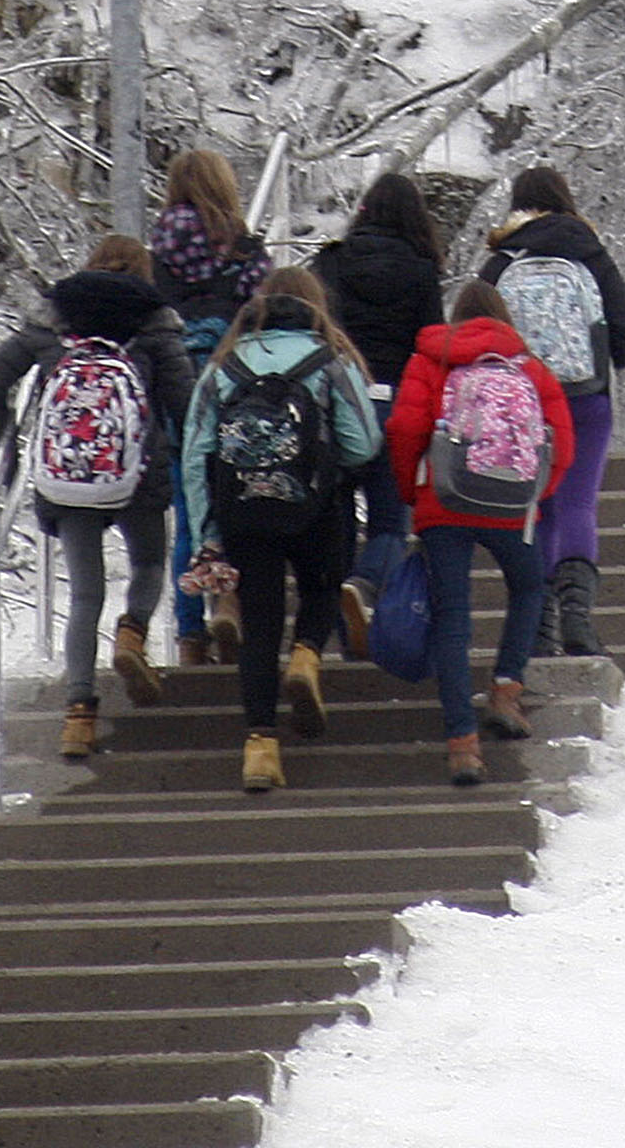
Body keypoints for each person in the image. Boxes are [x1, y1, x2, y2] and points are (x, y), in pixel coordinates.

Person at [0, 233, 193, 760]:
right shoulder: (155, 322)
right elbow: (187, 403)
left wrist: (10, 456)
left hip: (68, 475)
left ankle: (78, 718)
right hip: (138, 470)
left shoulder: (53, 321)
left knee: (84, 596)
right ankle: (134, 634)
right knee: (148, 564)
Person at [177, 264, 383, 795]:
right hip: (316, 508)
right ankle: (308, 655)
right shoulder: (331, 359)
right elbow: (363, 443)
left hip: (244, 510)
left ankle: (261, 749)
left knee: (260, 622)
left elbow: (196, 452)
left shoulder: (225, 364)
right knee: (321, 585)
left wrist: (207, 532)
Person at [386, 279, 573, 786]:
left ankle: (463, 744)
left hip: (444, 501)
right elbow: (563, 441)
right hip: (511, 506)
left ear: (456, 317)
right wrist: (531, 491)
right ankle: (507, 690)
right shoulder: (527, 367)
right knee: (530, 585)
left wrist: (412, 491)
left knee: (452, 619)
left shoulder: (429, 359)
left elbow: (404, 429)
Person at [475, 164, 625, 659]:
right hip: (585, 399)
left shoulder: (502, 259)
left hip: (521, 402)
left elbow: (472, 331)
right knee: (577, 504)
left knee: (539, 510)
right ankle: (578, 621)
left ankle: (538, 629)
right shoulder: (589, 252)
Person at [147, 146, 272, 664]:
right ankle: (230, 602)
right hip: (234, 386)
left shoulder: (156, 253)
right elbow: (265, 321)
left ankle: (190, 634)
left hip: (176, 385)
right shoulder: (246, 250)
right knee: (239, 502)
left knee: (188, 506)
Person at [316, 168, 448, 563]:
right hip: (398, 399)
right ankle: (368, 585)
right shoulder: (423, 270)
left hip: (339, 397)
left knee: (333, 515)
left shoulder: (331, 262)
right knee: (391, 521)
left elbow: (317, 329)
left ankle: (336, 603)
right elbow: (432, 341)